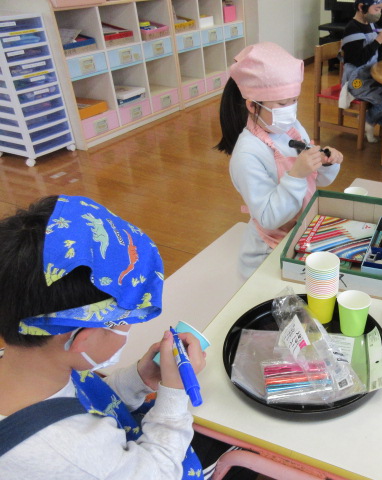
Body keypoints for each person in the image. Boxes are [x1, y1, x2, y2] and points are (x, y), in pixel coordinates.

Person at [0, 195, 254, 479]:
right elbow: (158, 472)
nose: (126, 330)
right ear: (83, 338)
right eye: (124, 323)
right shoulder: (69, 452)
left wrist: (139, 379)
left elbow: (86, 402)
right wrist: (175, 393)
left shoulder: (31, 365)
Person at [216, 42, 343, 280]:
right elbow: (269, 218)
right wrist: (296, 176)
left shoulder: (291, 128)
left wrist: (326, 163)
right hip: (268, 253)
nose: (290, 110)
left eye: (294, 100)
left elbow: (318, 181)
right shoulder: (247, 155)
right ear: (252, 105)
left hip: (301, 232)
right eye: (282, 104)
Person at [341, 0, 382, 143]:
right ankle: (368, 121)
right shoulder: (352, 29)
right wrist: (377, 41)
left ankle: (373, 122)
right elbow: (358, 59)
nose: (379, 13)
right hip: (356, 81)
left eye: (381, 9)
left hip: (370, 75)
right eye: (377, 9)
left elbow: (373, 54)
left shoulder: (370, 24)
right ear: (362, 7)